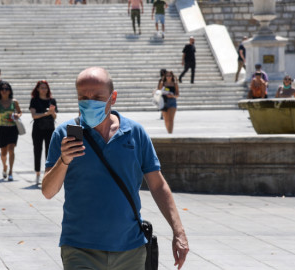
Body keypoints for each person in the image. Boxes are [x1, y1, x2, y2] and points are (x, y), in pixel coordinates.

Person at [42, 67, 189, 270]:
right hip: (80, 248)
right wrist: (64, 160)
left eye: (97, 96)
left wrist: (178, 231)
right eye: (83, 96)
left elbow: (157, 185)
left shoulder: (135, 133)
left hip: (130, 248)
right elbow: (48, 191)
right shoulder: (64, 135)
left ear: (113, 97)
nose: (89, 101)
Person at [29, 80, 58, 185]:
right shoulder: (34, 100)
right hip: (38, 128)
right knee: (37, 150)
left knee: (49, 152)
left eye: (45, 87)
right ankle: (37, 173)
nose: (43, 89)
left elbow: (55, 116)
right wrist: (46, 113)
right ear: (37, 89)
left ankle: (48, 174)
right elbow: (34, 115)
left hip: (50, 128)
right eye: (41, 87)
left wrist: (52, 113)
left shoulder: (52, 100)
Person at [0, 82, 22, 182]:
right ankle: (5, 166)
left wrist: (18, 115)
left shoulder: (14, 102)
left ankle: (10, 171)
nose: (4, 91)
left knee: (11, 149)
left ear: (10, 91)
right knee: (3, 152)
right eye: (2, 89)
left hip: (13, 128)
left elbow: (19, 111)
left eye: (7, 89)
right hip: (2, 128)